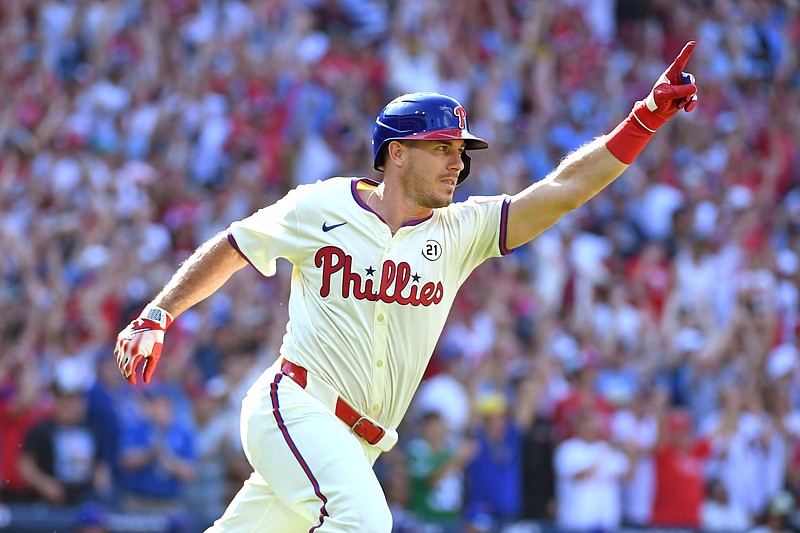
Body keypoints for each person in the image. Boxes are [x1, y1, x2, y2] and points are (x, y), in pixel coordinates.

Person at [114, 42, 699, 532]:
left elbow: (563, 189)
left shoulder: (461, 231)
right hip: (293, 406)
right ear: (396, 153)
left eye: (460, 152)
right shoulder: (322, 205)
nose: (456, 163)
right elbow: (234, 245)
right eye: (441, 148)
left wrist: (641, 119)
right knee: (365, 523)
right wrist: (158, 313)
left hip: (360, 441)